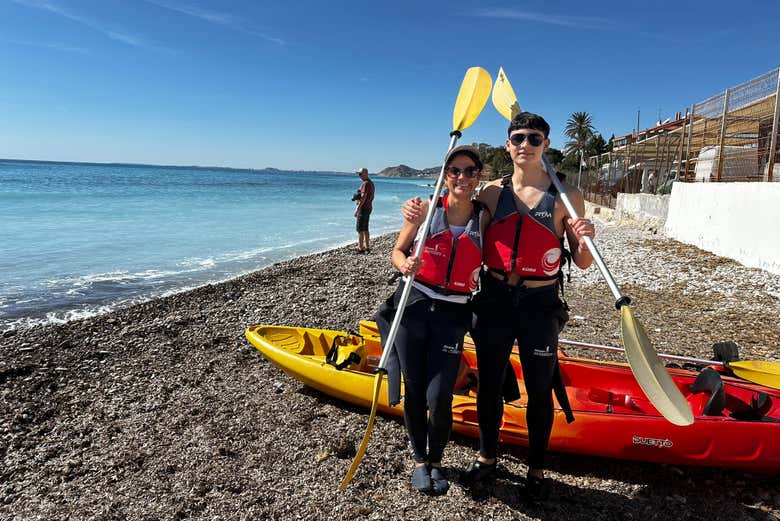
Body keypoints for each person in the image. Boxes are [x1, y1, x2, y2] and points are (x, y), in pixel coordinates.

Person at [403, 113, 595, 501]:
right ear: (507, 145)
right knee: (489, 385)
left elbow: (584, 261)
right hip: (493, 299)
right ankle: (488, 458)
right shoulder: (491, 193)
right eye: (518, 138)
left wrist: (585, 238)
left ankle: (536, 470)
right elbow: (454, 212)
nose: (525, 144)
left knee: (540, 390)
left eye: (534, 138)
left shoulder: (567, 196)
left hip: (540, 303)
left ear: (546, 144)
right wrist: (414, 212)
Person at [375, 146, 488, 496]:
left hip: (453, 313)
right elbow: (397, 251)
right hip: (416, 305)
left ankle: (437, 459)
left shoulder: (485, 217)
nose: (462, 178)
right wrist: (403, 264)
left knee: (440, 396)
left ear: (478, 177)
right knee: (415, 388)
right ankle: (420, 461)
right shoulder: (423, 212)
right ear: (445, 175)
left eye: (470, 172)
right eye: (454, 171)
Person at [354, 167, 375, 253]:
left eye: (360, 174)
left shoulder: (365, 184)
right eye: (359, 174)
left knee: (360, 229)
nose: (359, 176)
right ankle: (367, 246)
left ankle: (360, 248)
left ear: (366, 174)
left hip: (364, 208)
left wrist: (357, 209)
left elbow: (363, 197)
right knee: (365, 228)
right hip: (369, 207)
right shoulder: (371, 183)